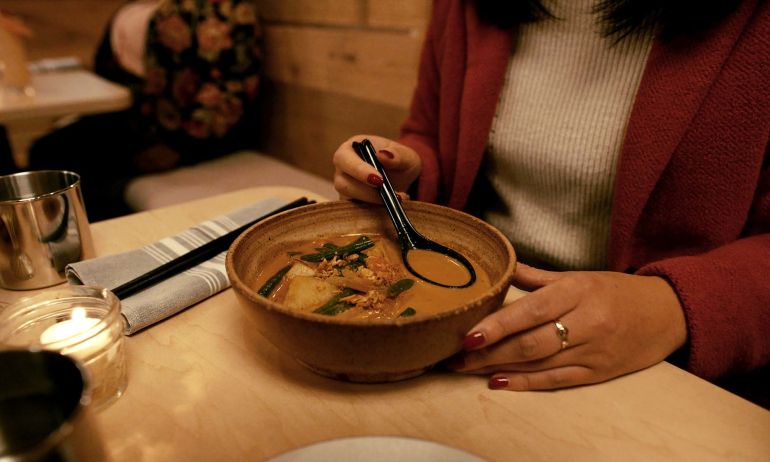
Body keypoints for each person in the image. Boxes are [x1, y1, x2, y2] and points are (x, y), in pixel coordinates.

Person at [331, 0, 770, 396]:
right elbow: (428, 131)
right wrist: (408, 171)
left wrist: (671, 306)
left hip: (666, 372)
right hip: (467, 316)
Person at [27, 0, 263, 221]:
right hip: (140, 120)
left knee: (78, 165)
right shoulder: (142, 7)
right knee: (49, 150)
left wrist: (175, 146)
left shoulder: (223, 10)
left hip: (190, 138)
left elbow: (231, 94)